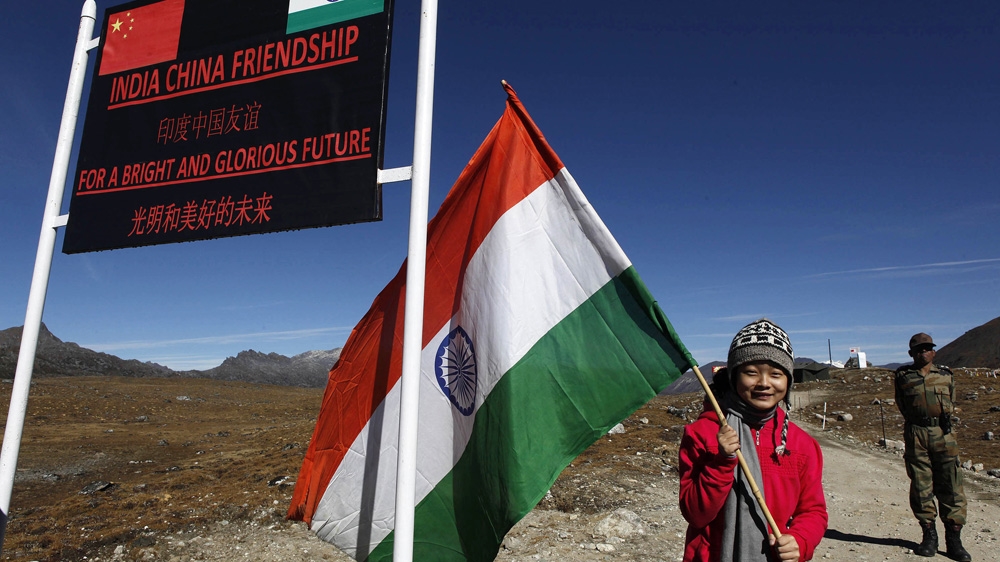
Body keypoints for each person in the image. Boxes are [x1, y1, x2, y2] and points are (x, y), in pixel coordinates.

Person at [679, 319, 828, 561]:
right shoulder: (702, 434)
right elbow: (695, 514)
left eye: (776, 374)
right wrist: (721, 462)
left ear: (788, 380)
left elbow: (813, 511)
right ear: (733, 377)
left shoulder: (802, 445)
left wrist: (800, 540)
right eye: (751, 372)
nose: (764, 383)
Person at [894, 333, 971, 561]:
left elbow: (951, 400)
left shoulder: (945, 375)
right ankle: (929, 536)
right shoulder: (903, 376)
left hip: (943, 434)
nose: (923, 352)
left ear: (934, 352)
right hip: (916, 433)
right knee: (921, 485)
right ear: (911, 353)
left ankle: (954, 540)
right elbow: (901, 403)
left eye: (927, 348)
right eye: (919, 349)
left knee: (951, 483)